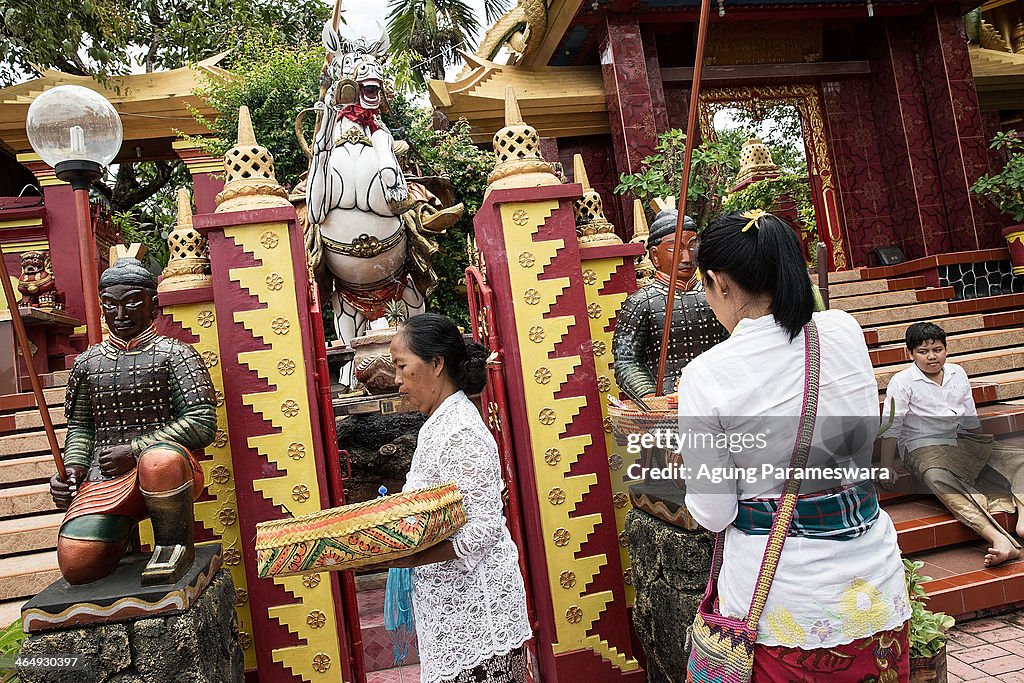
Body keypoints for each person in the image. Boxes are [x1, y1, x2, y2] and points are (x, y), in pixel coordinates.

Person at [679, 211, 911, 681]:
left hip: (785, 604)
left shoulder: (706, 375)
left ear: (719, 283)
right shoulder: (843, 331)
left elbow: (713, 511)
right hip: (875, 585)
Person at [50, 258, 217, 585]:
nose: (121, 315)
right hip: (107, 477)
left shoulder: (176, 354)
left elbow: (202, 422)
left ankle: (173, 545)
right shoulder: (88, 363)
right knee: (77, 564)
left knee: (158, 460)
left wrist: (136, 450)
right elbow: (82, 428)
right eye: (111, 306)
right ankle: (117, 539)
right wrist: (73, 469)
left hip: (171, 471)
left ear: (153, 306)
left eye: (132, 304)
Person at [384, 312, 532, 683]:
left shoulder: (460, 431)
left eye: (402, 367)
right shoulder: (441, 423)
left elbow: (481, 529)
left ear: (436, 364)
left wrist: (410, 557)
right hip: (454, 609)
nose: (397, 381)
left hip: (477, 611)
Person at [878, 322, 1023, 566]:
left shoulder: (958, 373)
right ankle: (999, 539)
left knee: (1018, 458)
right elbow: (891, 425)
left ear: (946, 349)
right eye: (923, 352)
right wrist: (886, 465)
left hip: (960, 441)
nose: (932, 357)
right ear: (910, 353)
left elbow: (969, 417)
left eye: (938, 349)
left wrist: (982, 449)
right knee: (937, 477)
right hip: (922, 448)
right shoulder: (902, 382)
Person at [612, 208, 728, 400]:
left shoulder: (715, 293)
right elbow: (626, 360)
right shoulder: (640, 302)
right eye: (675, 249)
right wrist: (650, 396)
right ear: (655, 256)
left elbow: (731, 344)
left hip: (718, 393)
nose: (687, 258)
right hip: (665, 398)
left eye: (692, 247)